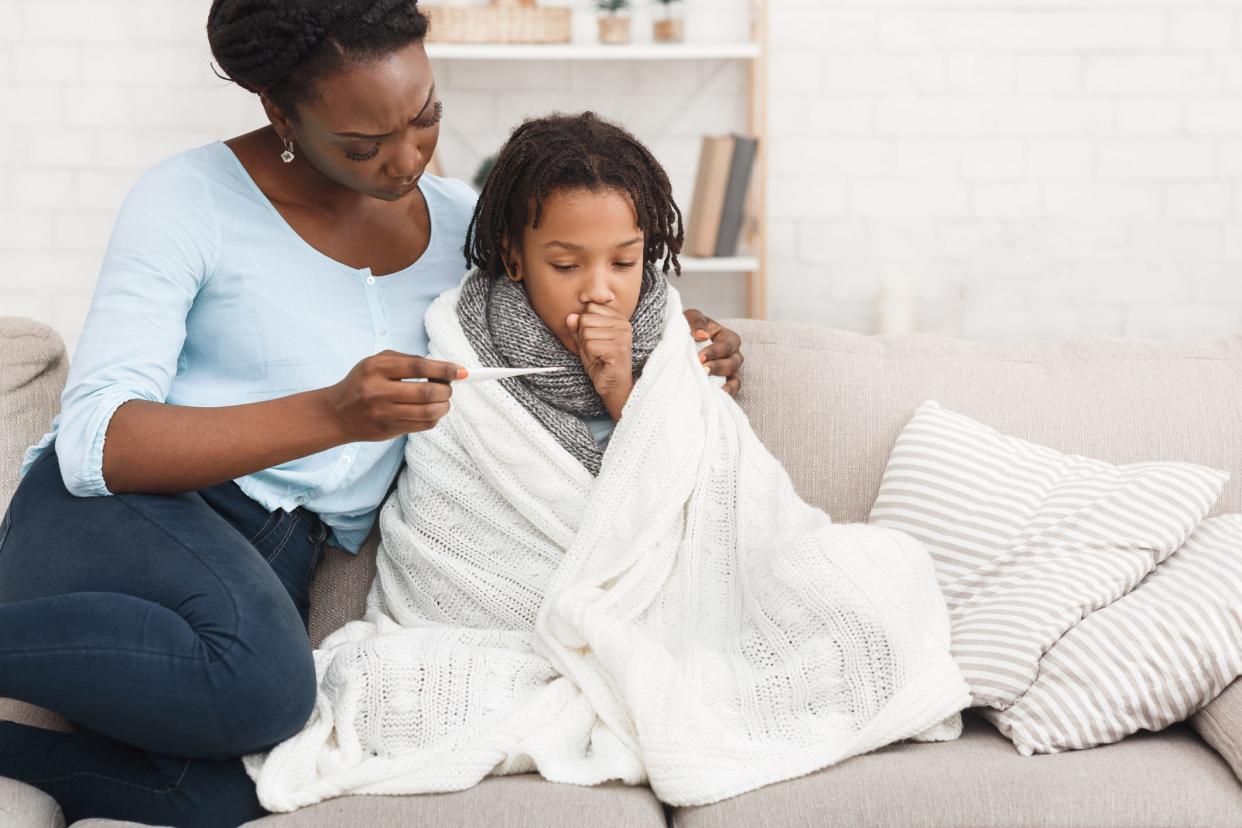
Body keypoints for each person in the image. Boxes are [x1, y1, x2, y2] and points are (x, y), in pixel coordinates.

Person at [0, 2, 744, 825]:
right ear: (280, 112)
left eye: (425, 117)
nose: (406, 159)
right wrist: (331, 413)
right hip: (122, 523)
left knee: (257, 789)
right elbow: (96, 442)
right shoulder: (188, 200)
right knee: (267, 687)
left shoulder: (467, 223)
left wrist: (680, 339)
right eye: (362, 143)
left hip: (273, 562)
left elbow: (579, 303)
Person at [241, 111, 968, 813]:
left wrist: (627, 390)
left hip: (680, 611)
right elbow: (455, 516)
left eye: (624, 261)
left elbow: (716, 492)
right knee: (382, 679)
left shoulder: (676, 341)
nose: (601, 287)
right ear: (512, 258)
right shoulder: (460, 348)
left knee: (878, 574)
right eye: (567, 263)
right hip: (511, 625)